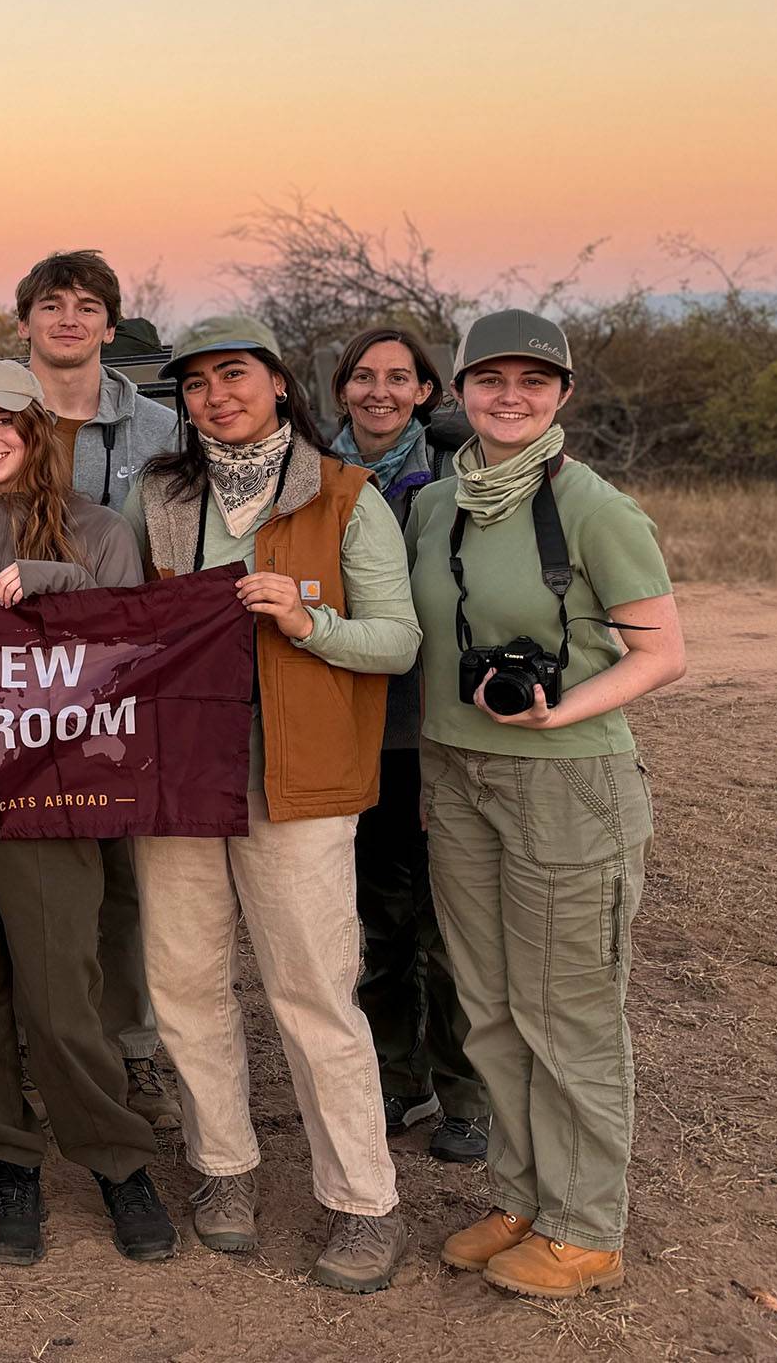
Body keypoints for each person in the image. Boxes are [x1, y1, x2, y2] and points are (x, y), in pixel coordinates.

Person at [121, 315, 418, 1294]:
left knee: (312, 990)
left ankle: (363, 1198)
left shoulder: (347, 497)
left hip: (299, 780)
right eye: (197, 383)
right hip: (179, 774)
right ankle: (223, 1168)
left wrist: (307, 618)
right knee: (186, 981)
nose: (217, 395)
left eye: (234, 374)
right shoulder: (160, 494)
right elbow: (120, 619)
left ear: (280, 383)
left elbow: (398, 640)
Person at [409, 311, 683, 1300]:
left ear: (563, 393)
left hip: (567, 779)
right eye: (491, 378)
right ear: (463, 390)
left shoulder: (597, 508)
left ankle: (586, 1223)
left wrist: (560, 706)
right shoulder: (437, 506)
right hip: (460, 774)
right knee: (487, 1005)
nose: (510, 395)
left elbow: (663, 651)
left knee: (567, 1009)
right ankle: (522, 1195)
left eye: (534, 379)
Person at [0, 360, 175, 1266]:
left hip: (50, 804)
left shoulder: (99, 532)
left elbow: (132, 657)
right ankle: (5, 1154)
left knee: (63, 1001)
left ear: (36, 430)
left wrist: (60, 582)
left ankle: (116, 1158)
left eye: (3, 422)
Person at [0, 248, 184, 1132]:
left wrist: (61, 582)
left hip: (84, 754)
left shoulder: (143, 453)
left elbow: (135, 625)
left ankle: (122, 1057)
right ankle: (17, 1087)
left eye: (87, 306)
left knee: (112, 902)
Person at [328, 327, 489, 1167]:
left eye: (400, 377)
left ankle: (467, 1091)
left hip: (437, 724)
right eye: (363, 376)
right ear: (341, 389)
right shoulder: (317, 476)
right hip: (354, 727)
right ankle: (399, 1078)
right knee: (379, 923)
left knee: (448, 924)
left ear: (428, 390)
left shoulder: (462, 475)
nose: (380, 391)